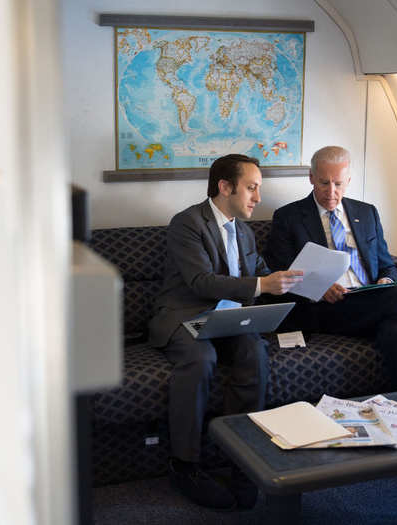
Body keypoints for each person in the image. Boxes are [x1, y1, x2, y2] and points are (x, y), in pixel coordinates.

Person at [148, 154, 303, 510]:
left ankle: (242, 458)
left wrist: (298, 277)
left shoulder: (244, 230)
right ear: (224, 187)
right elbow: (201, 282)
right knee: (201, 358)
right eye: (251, 188)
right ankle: (184, 464)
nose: (257, 197)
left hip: (229, 317)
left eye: (258, 189)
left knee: (254, 353)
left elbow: (260, 271)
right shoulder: (187, 223)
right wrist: (263, 284)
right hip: (183, 314)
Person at [263, 145, 397, 404]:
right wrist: (319, 287)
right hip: (324, 308)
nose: (331, 192)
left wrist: (386, 280)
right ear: (311, 178)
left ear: (348, 180)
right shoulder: (288, 217)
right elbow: (275, 274)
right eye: (324, 183)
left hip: (370, 300)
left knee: (396, 332)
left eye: (338, 183)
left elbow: (386, 264)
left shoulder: (366, 213)